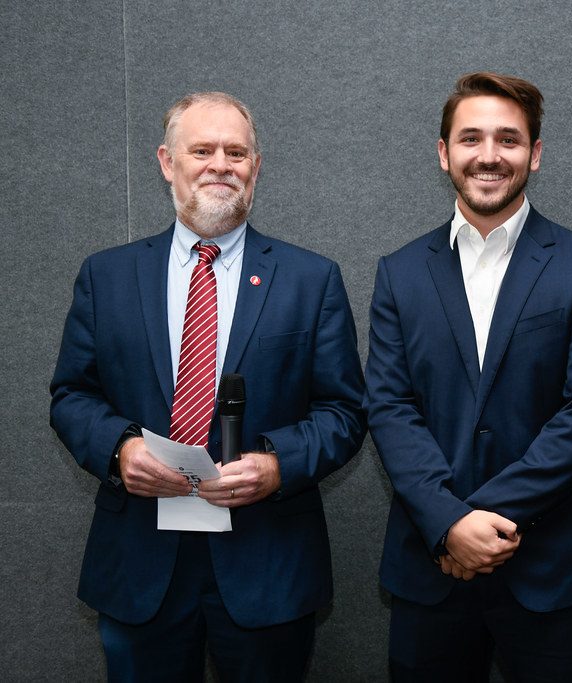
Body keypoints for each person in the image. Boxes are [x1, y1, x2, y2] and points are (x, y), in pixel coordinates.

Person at [50, 91, 366, 681]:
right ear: (168, 162)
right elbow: (71, 395)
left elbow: (345, 411)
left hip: (266, 559)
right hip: (141, 559)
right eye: (203, 150)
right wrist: (120, 451)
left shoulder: (311, 279)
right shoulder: (108, 275)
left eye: (236, 152)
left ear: (256, 167)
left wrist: (277, 465)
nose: (221, 164)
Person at [365, 72, 572, 681]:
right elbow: (389, 408)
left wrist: (474, 520)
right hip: (430, 575)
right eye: (471, 139)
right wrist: (448, 524)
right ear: (444, 153)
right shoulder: (400, 274)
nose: (489, 156)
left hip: (556, 574)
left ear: (535, 154)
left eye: (508, 140)